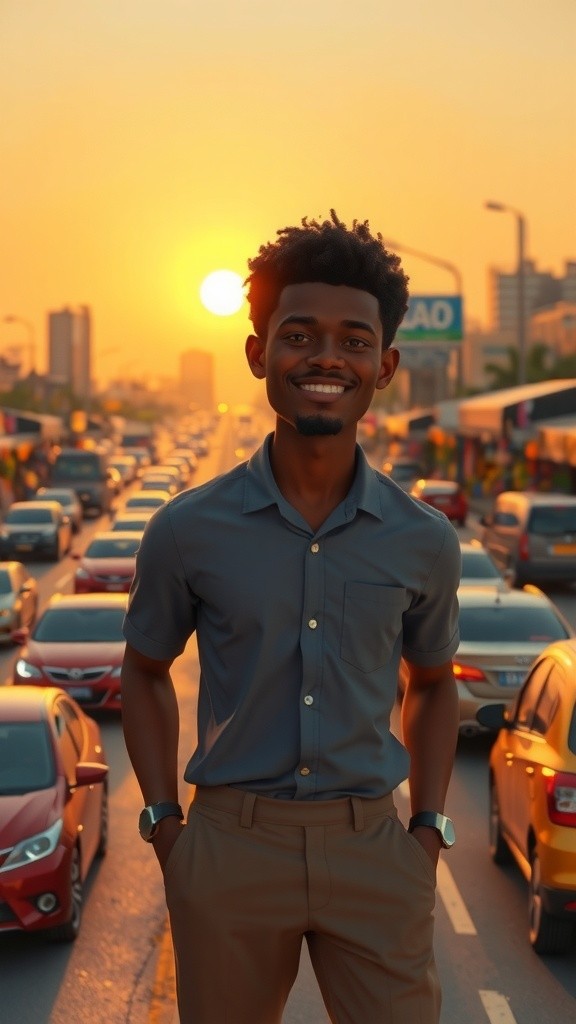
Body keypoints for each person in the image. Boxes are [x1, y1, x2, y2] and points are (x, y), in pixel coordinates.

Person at [121, 210, 461, 1024]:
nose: (325, 358)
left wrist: (428, 833)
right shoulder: (186, 530)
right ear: (258, 353)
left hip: (375, 848)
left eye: (352, 341)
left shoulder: (423, 540)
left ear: (384, 366)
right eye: (299, 334)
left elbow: (436, 684)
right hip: (232, 847)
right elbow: (143, 671)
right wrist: (168, 826)